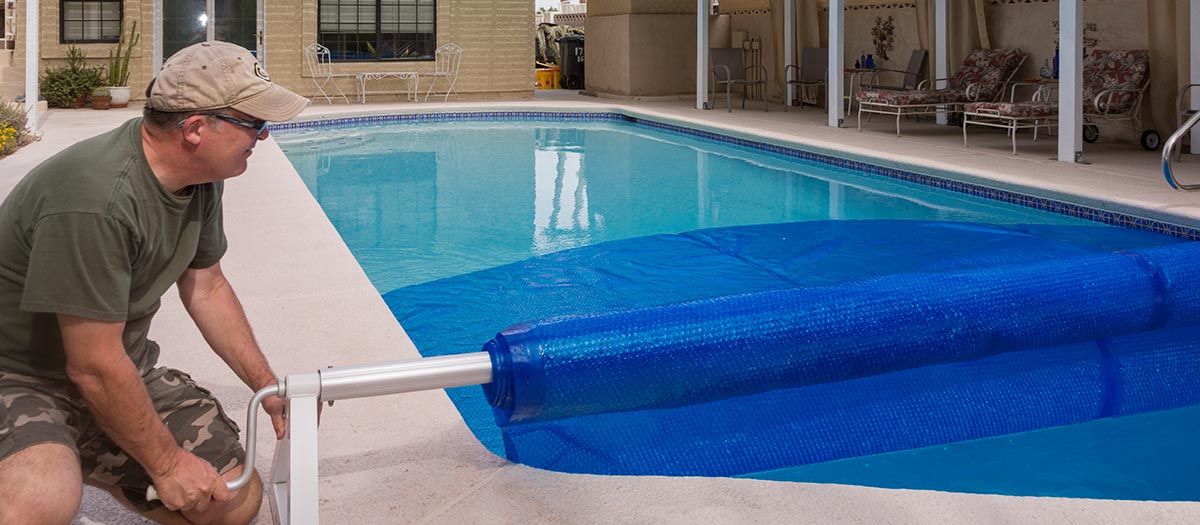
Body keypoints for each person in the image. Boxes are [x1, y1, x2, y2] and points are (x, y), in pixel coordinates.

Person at [0, 41, 309, 524]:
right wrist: (165, 465)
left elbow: (207, 287)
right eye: (254, 123)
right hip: (19, 377)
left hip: (118, 367)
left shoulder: (200, 176)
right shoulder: (94, 200)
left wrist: (266, 385)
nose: (264, 136)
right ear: (194, 129)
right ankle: (57, 458)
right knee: (40, 502)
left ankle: (94, 460)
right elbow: (92, 365)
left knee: (234, 500)